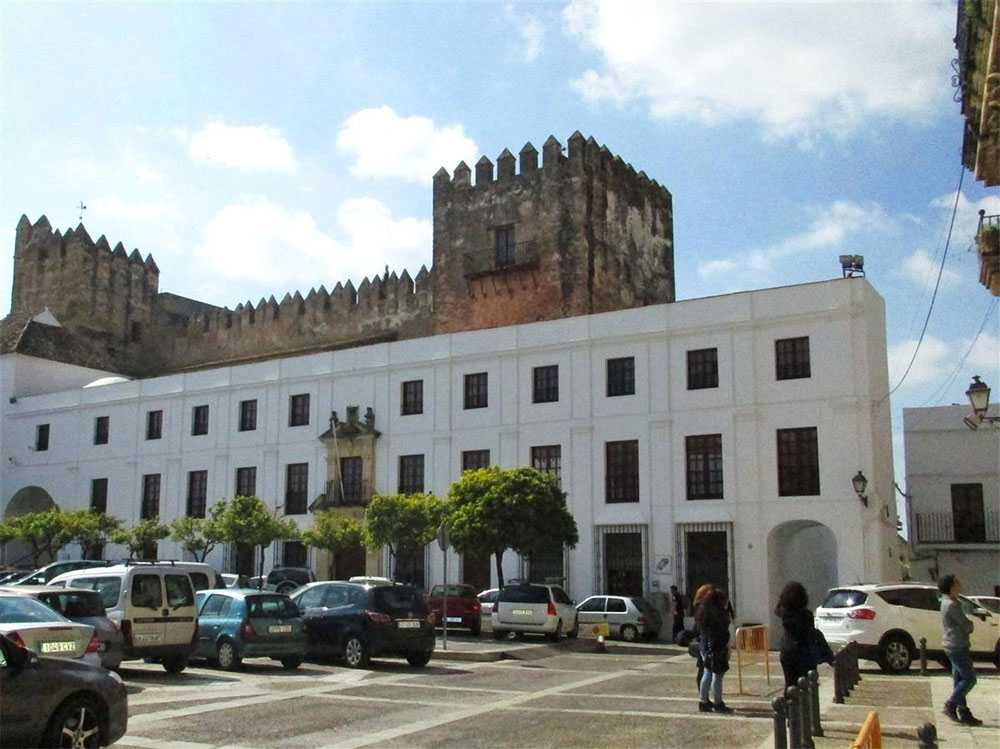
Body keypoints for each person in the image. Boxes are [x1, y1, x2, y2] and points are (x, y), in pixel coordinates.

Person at [938, 574, 981, 726]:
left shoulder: (948, 602)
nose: (960, 584)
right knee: (970, 679)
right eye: (957, 582)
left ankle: (963, 711)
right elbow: (966, 625)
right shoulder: (951, 605)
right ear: (951, 586)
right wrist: (972, 624)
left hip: (952, 644)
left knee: (959, 679)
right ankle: (951, 705)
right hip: (957, 646)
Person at [774, 581, 833, 688]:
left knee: (790, 683)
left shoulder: (784, 613)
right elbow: (810, 634)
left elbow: (777, 609)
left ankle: (789, 703)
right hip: (804, 654)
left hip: (787, 652)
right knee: (807, 685)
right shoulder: (805, 616)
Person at [696, 586, 732, 713]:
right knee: (717, 675)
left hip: (706, 647)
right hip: (716, 647)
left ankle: (703, 701)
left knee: (707, 673)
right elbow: (720, 632)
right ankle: (718, 702)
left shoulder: (704, 611)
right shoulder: (717, 613)